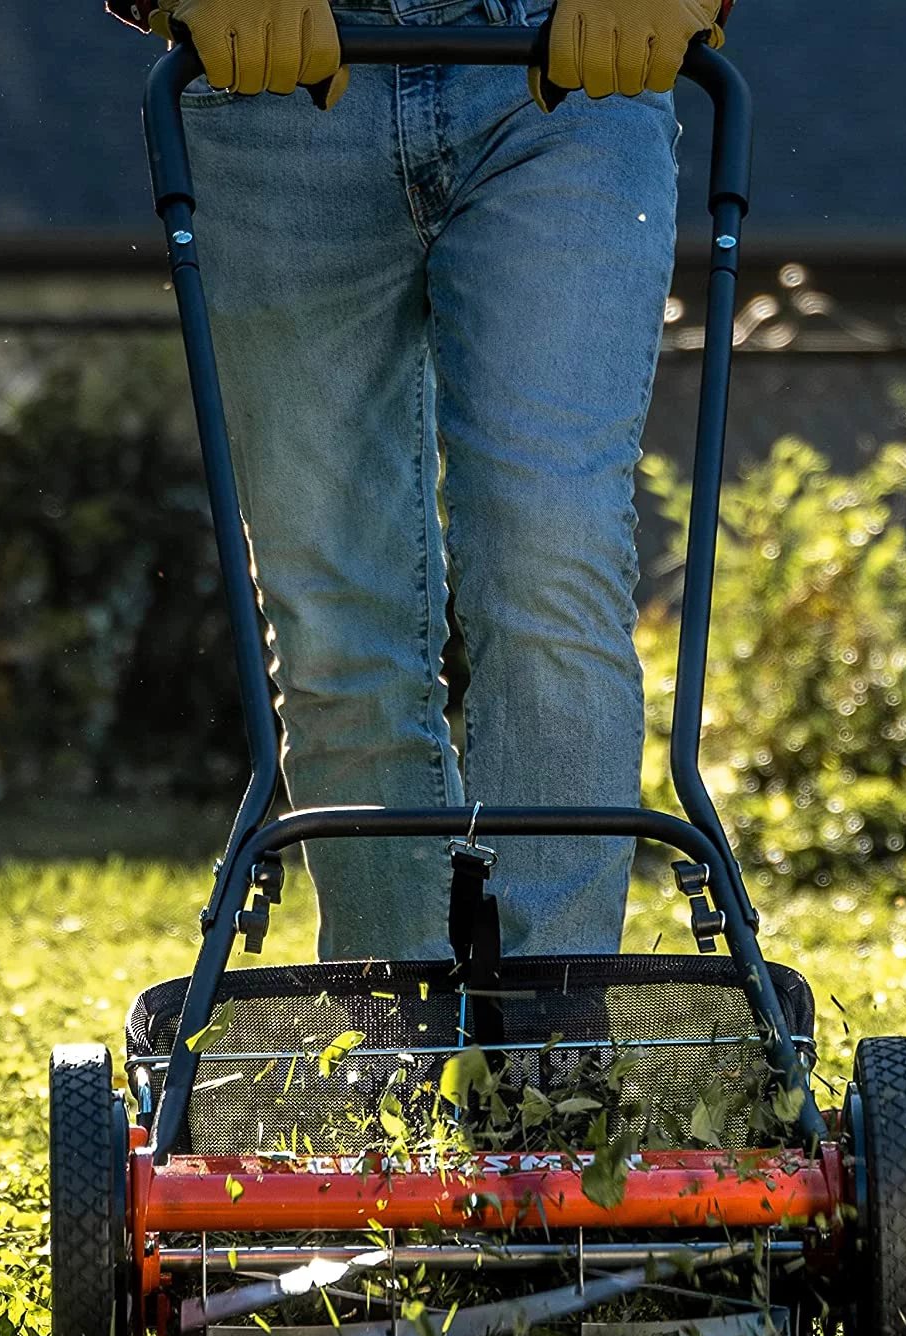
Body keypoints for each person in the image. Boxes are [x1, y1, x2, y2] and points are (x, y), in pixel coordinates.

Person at [106, 0, 731, 963]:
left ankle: (553, 1031)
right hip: (278, 77)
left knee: (548, 547)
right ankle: (388, 1022)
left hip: (565, 72)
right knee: (336, 597)